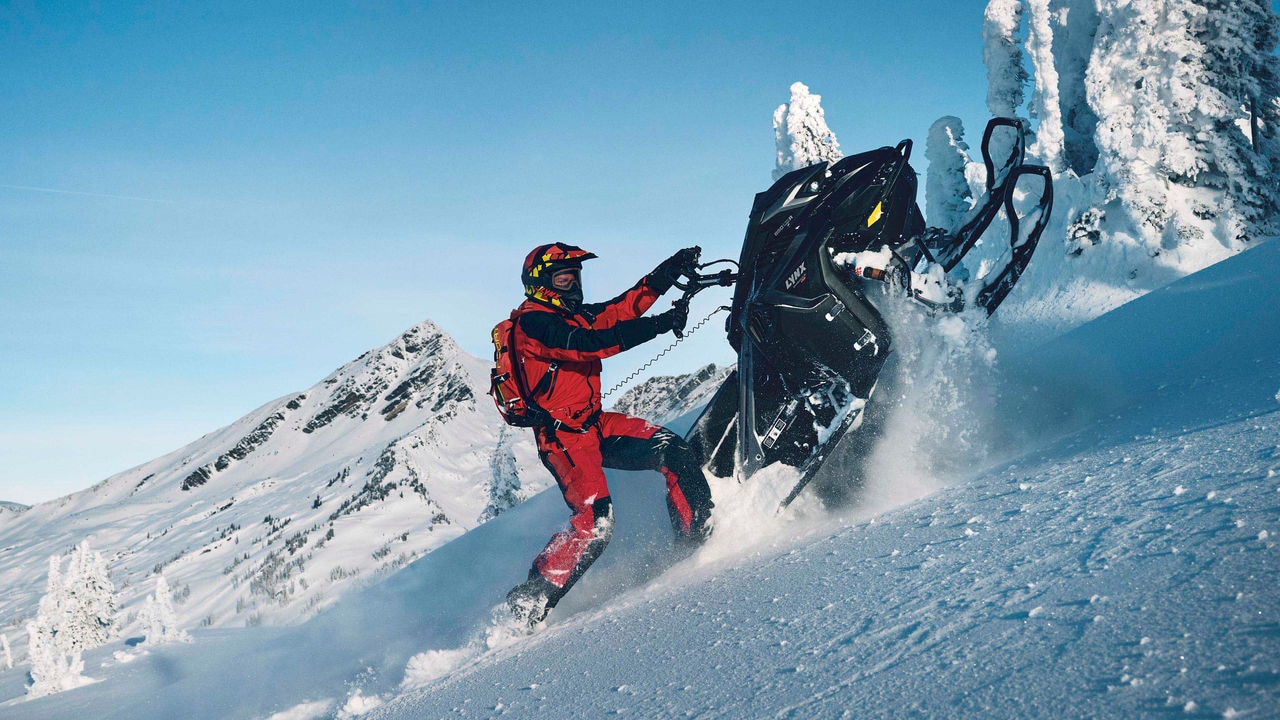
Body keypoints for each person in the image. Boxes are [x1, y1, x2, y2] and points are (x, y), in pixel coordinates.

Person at [503, 242, 715, 628]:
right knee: (595, 521)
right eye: (563, 279)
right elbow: (591, 344)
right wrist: (659, 325)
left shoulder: (571, 315)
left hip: (595, 423)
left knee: (674, 451)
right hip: (563, 437)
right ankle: (530, 600)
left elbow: (621, 309)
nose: (573, 285)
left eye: (575, 277)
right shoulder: (534, 324)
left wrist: (668, 271)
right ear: (541, 284)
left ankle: (696, 548)